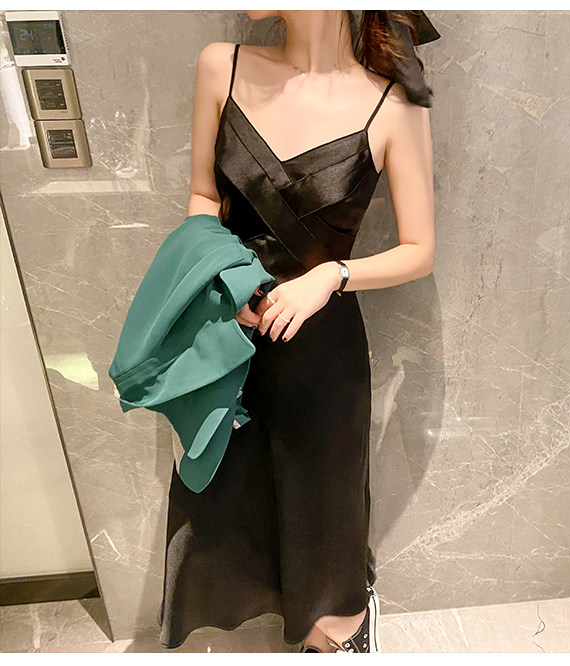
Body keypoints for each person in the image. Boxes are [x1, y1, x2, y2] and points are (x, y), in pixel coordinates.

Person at [157, 10, 436, 653]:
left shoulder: (394, 104)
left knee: (323, 500)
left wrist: (331, 276)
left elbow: (419, 250)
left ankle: (337, 629)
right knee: (228, 492)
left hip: (323, 349)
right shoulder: (221, 66)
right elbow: (204, 197)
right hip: (231, 333)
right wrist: (223, 283)